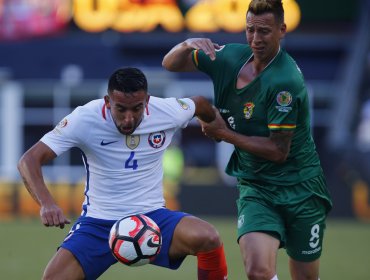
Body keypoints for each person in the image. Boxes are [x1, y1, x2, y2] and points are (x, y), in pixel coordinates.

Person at [162, 0, 332, 279]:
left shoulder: (284, 82)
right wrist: (187, 44)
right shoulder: (227, 58)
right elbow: (170, 64)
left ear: (282, 30)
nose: (256, 39)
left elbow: (278, 151)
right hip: (257, 187)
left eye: (264, 31)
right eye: (250, 30)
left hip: (302, 188)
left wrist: (223, 133)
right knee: (258, 272)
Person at [17, 67, 228, 280]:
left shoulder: (166, 111)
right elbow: (29, 160)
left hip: (152, 217)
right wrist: (46, 203)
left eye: (136, 109)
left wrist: (214, 124)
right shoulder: (85, 118)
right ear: (107, 102)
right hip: (99, 223)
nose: (128, 119)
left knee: (207, 238)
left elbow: (199, 103)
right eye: (120, 109)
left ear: (147, 101)